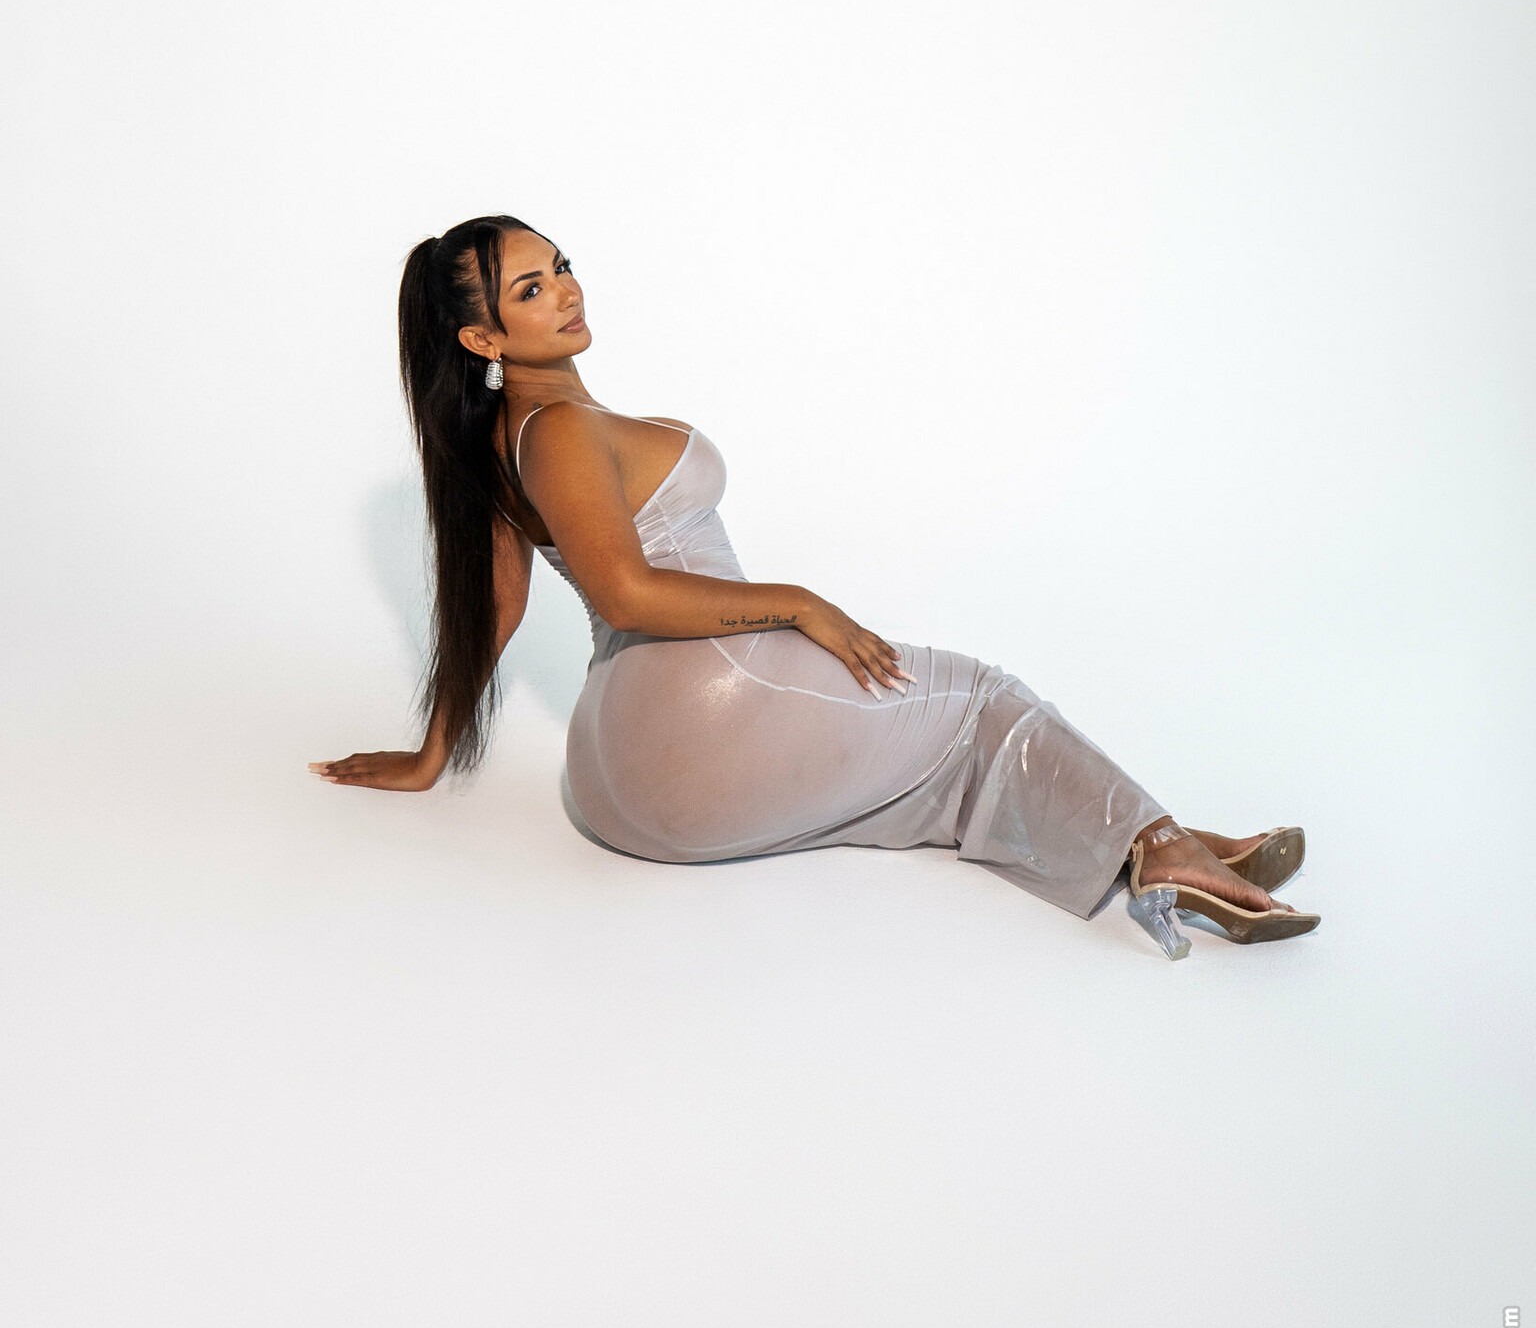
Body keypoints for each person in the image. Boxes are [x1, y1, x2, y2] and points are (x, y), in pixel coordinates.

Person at [310, 216, 1320, 961]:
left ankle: (1153, 837)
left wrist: (431, 756)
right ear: (484, 341)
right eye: (531, 290)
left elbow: (495, 607)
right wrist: (799, 602)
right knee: (980, 703)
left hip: (613, 786)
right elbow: (624, 596)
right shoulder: (562, 429)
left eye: (560, 265)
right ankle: (1159, 846)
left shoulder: (503, 440)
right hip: (707, 707)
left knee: (928, 761)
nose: (566, 291)